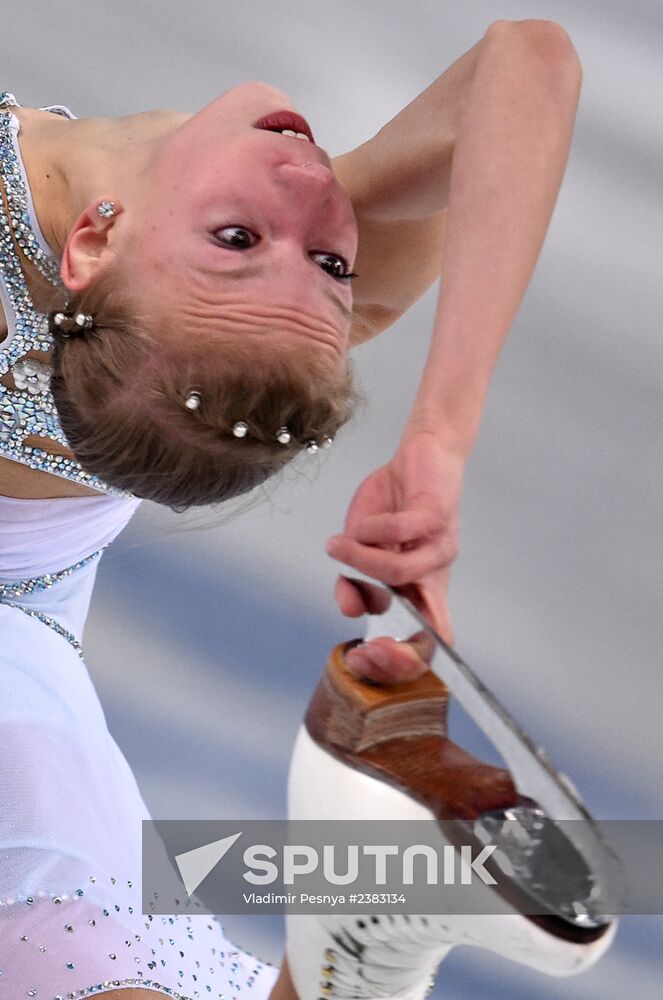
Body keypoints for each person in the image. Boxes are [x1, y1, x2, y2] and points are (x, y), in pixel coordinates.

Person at [0, 17, 589, 1000]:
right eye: (323, 260)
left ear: (98, 241)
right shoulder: (222, 278)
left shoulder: (214, 259)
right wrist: (438, 438)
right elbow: (523, 66)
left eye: (249, 243)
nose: (315, 196)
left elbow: (521, 70)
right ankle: (358, 957)